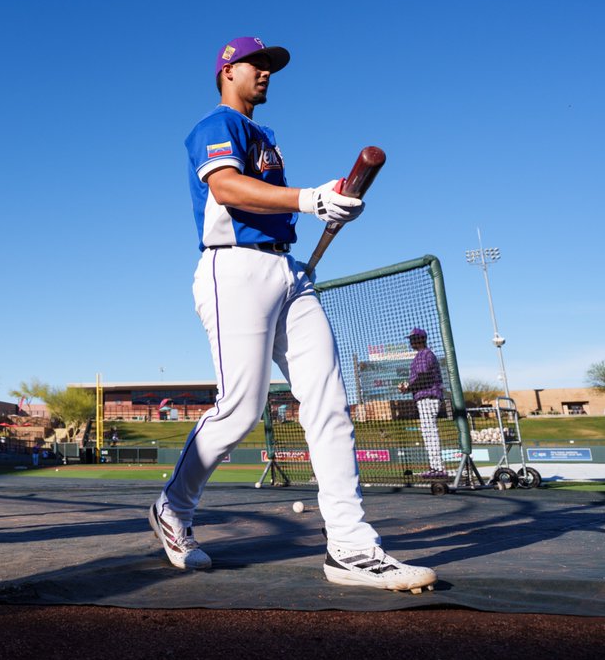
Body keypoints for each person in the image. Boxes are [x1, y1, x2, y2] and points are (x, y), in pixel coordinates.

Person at [148, 36, 436, 593]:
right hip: (232, 269)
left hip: (288, 270)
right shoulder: (215, 124)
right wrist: (310, 198)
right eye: (258, 64)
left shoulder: (266, 137)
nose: (267, 73)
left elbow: (275, 203)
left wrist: (328, 206)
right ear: (227, 70)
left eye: (271, 67)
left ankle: (351, 546)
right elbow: (229, 188)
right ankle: (173, 507)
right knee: (240, 408)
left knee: (329, 400)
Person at [397, 328, 446, 479]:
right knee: (427, 432)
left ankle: (438, 468)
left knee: (429, 432)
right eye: (410, 338)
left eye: (413, 338)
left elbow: (424, 376)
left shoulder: (425, 354)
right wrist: (409, 387)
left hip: (428, 397)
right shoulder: (421, 355)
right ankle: (435, 467)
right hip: (425, 397)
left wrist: (408, 387)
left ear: (421, 339)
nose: (411, 341)